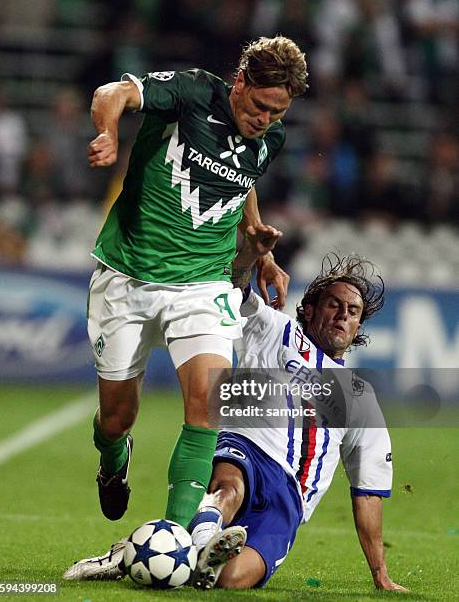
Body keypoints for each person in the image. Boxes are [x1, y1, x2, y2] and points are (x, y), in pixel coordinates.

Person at [65, 242, 407, 592]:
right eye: (334, 304)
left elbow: (367, 491)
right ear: (308, 308)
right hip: (245, 447)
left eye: (353, 311)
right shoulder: (274, 328)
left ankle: (149, 551)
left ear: (359, 326)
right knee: (229, 486)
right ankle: (197, 535)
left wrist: (380, 575)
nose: (342, 315)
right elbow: (237, 285)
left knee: (230, 580)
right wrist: (253, 253)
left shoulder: (361, 398)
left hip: (288, 500)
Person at [85, 35, 308, 529]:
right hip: (128, 275)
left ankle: (175, 538)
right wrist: (110, 133)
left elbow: (243, 177)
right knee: (116, 420)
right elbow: (111, 93)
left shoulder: (271, 138)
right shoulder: (191, 93)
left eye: (278, 112)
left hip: (205, 283)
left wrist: (255, 238)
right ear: (240, 82)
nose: (265, 120)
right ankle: (112, 458)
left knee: (207, 405)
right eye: (260, 106)